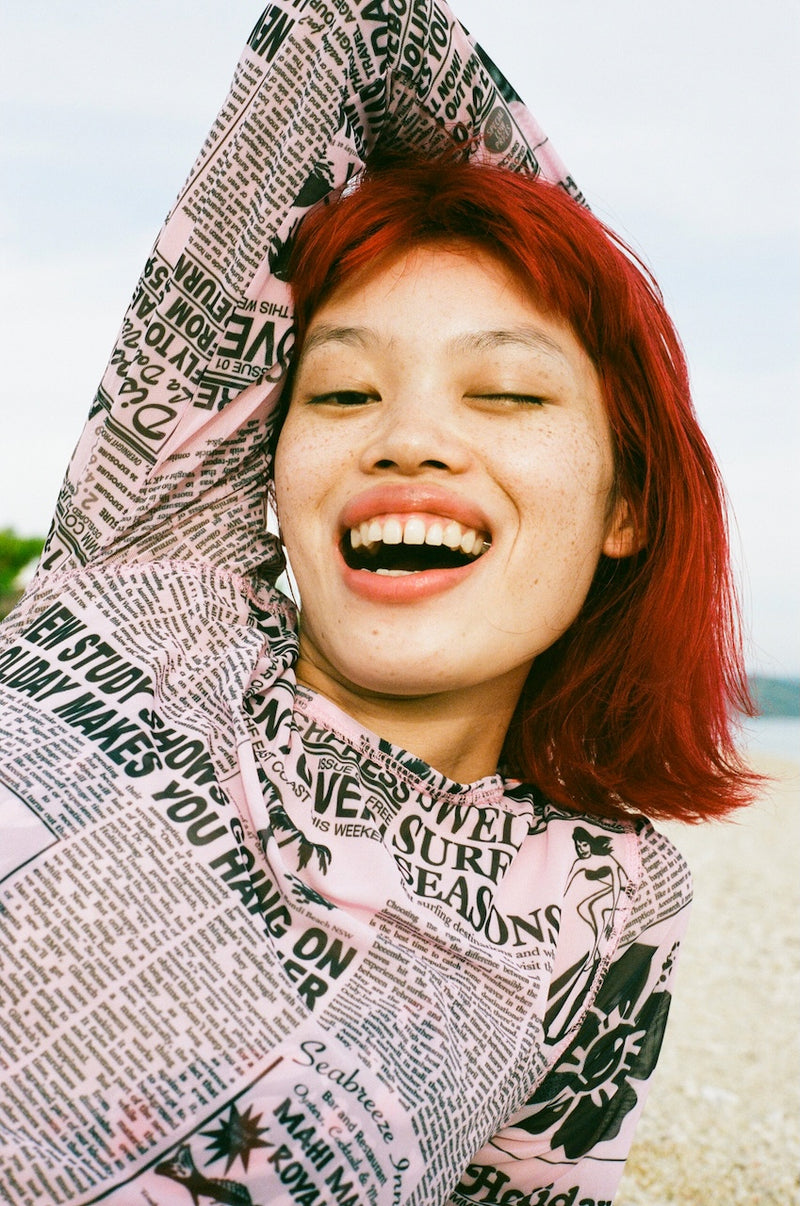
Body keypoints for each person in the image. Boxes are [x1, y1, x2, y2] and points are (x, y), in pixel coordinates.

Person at [0, 2, 757, 1204]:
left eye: (506, 395)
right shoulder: (147, 588)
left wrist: (601, 309)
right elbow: (345, 25)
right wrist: (553, 239)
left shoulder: (606, 898)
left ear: (629, 505)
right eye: (345, 393)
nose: (408, 438)